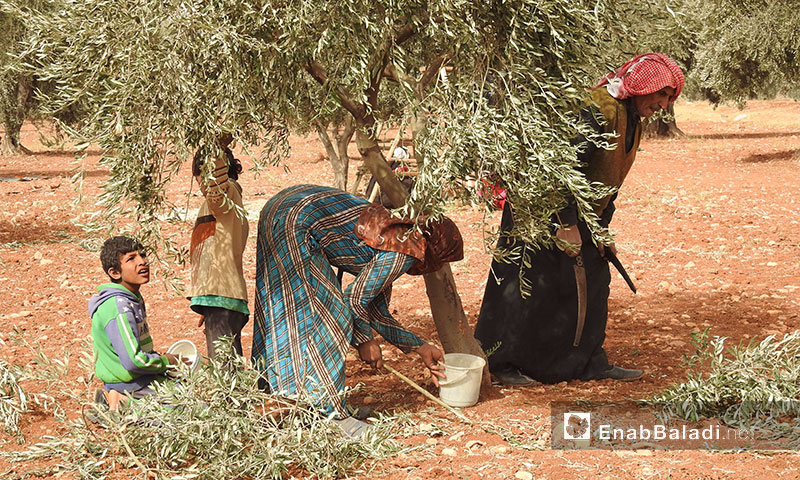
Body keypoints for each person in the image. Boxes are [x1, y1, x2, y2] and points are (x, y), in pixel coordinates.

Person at [475, 53, 685, 385]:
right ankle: (501, 362)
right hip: (540, 205)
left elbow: (609, 180)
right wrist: (566, 222)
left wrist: (600, 229)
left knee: (595, 277)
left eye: (668, 98)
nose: (662, 104)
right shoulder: (597, 108)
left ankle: (588, 362)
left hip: (581, 212)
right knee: (524, 282)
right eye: (660, 94)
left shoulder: (632, 120)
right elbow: (560, 165)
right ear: (642, 86)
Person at [251, 184, 463, 424]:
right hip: (296, 218)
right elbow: (354, 299)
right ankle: (327, 414)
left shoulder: (397, 236)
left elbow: (375, 311)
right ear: (436, 250)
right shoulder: (408, 247)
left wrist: (421, 348)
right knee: (332, 317)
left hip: (280, 207)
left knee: (286, 304)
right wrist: (365, 341)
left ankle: (291, 402)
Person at [89, 236, 184, 408]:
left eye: (142, 255)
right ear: (115, 272)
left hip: (140, 378)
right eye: (131, 259)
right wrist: (165, 362)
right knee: (188, 411)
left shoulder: (132, 298)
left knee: (185, 390)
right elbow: (133, 362)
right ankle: (120, 404)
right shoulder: (119, 307)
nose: (142, 262)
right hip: (129, 384)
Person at [189, 143, 249, 358]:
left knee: (225, 371)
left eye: (201, 180)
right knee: (226, 363)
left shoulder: (226, 196)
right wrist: (207, 303)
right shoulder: (223, 207)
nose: (201, 188)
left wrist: (215, 147)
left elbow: (216, 188)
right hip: (217, 298)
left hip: (221, 296)